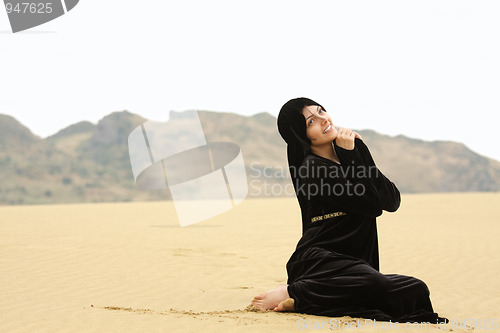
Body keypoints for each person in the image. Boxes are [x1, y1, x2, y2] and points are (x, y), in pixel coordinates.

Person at [251, 97, 447, 323]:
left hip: (355, 269)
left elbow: (391, 201)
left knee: (416, 289)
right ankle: (296, 293)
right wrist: (354, 157)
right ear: (301, 134)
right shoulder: (312, 169)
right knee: (373, 284)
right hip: (320, 264)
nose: (324, 119)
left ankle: (311, 300)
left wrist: (359, 154)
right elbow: (372, 206)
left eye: (321, 111)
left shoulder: (347, 154)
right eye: (311, 121)